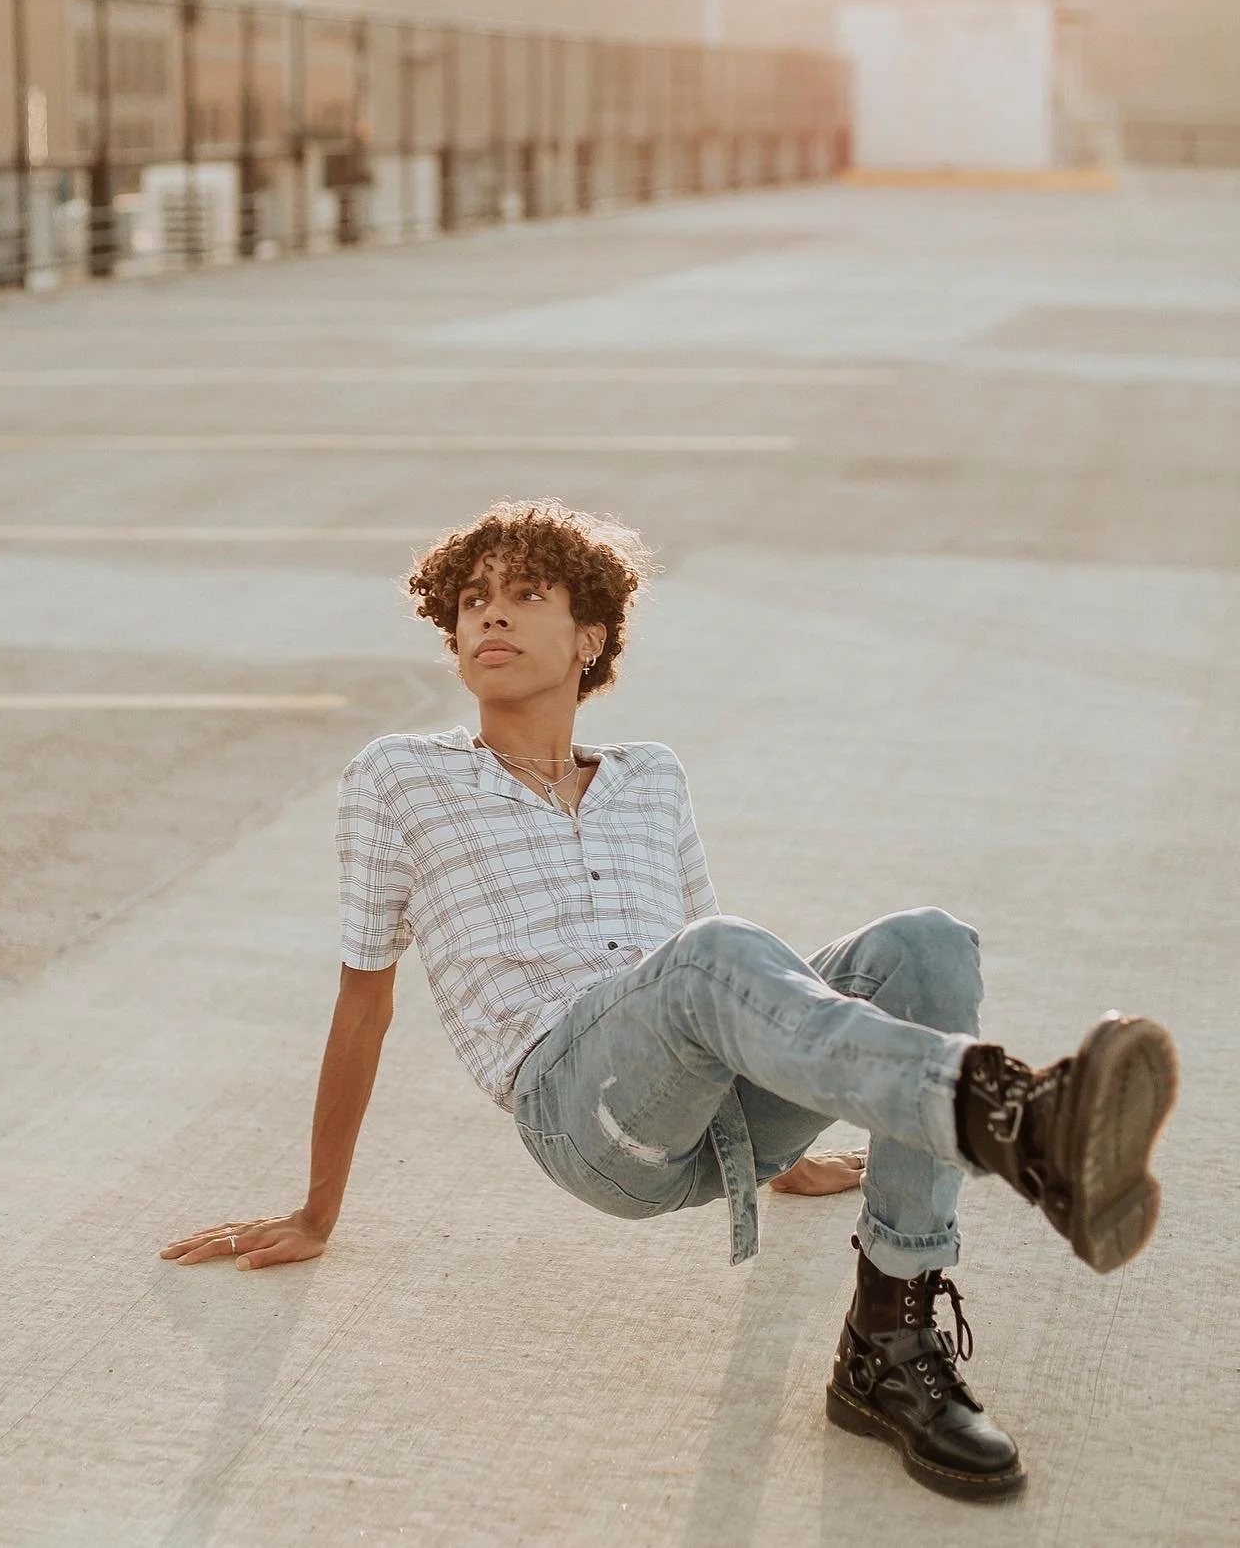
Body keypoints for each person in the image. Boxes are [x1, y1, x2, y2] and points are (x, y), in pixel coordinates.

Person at [162, 499, 1178, 1503]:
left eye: (524, 595)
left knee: (926, 943)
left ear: (591, 636)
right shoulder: (398, 778)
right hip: (581, 1114)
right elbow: (363, 1002)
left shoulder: (652, 777)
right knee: (714, 956)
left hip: (711, 1095)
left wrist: (800, 1147)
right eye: (471, 601)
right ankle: (1016, 1116)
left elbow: (737, 982)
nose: (490, 618)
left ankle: (889, 1339)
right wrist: (317, 1211)